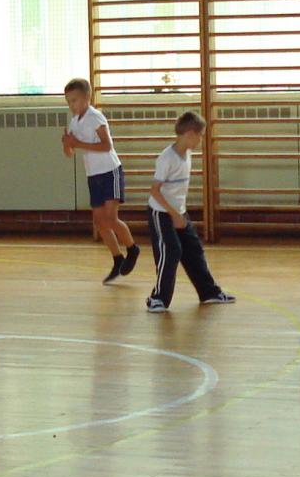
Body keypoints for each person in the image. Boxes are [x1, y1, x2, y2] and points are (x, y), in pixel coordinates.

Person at [145, 111, 235, 313]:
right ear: (189, 134)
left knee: (194, 250)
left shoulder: (187, 154)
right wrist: (174, 215)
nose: (201, 140)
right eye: (200, 135)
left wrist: (180, 213)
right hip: (161, 213)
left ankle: (209, 292)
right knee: (171, 250)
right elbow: (155, 191)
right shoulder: (166, 158)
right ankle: (157, 299)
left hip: (179, 212)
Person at [63, 78, 139, 285]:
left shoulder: (95, 117)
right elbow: (70, 153)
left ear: (87, 97)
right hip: (93, 175)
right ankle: (117, 258)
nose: (71, 105)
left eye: (74, 100)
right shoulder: (74, 122)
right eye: (68, 101)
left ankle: (132, 248)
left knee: (111, 218)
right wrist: (67, 144)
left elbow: (107, 146)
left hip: (109, 171)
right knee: (99, 222)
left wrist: (77, 143)